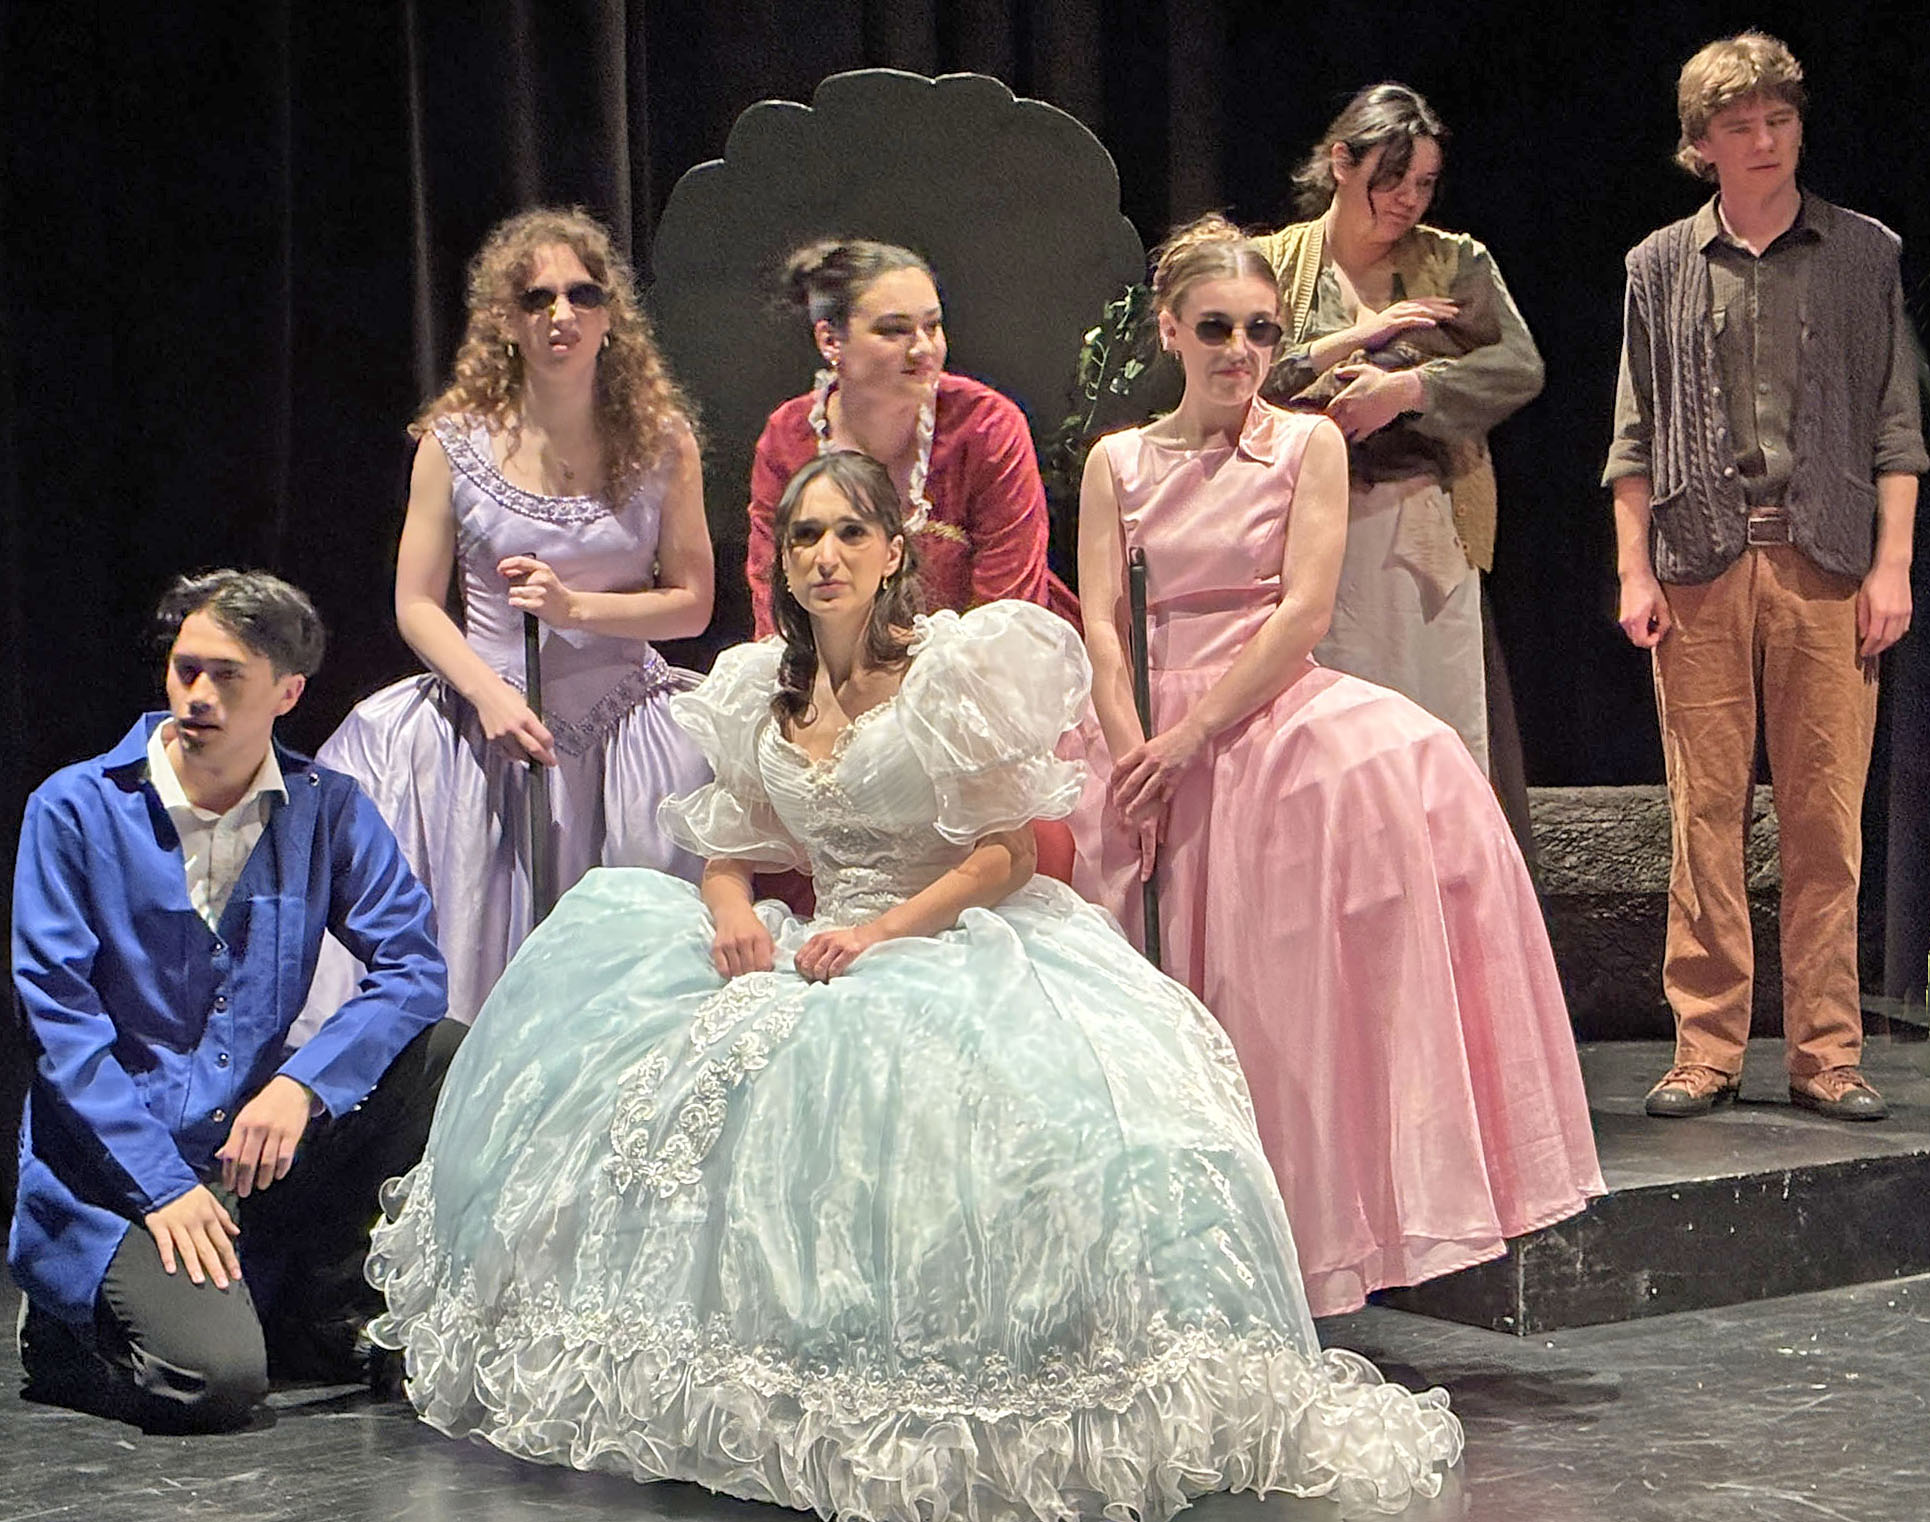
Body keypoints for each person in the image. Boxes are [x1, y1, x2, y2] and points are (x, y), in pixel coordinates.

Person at [368, 453, 1464, 1519]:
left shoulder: (948, 671)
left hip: (948, 935)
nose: (827, 555)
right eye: (806, 535)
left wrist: (882, 932)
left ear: (893, 551)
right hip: (820, 942)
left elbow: (1007, 854)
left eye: (851, 532)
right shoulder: (759, 686)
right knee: (643, 1039)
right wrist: (732, 911)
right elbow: (731, 846)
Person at [1071, 216, 1601, 1319]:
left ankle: (1304, 1238)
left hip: (1257, 709)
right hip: (1141, 726)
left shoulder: (1306, 444)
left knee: (1414, 778)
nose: (1240, 351)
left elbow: (1301, 614)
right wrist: (1133, 758)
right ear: (1170, 330)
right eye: (1216, 328)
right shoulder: (1117, 461)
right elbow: (1105, 629)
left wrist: (1192, 739)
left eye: (1260, 331)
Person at [10, 570, 458, 1432]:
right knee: (211, 1385)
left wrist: (303, 1085)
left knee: (440, 1049)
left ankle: (321, 1307)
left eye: (228, 676)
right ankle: (65, 1333)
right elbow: (61, 1026)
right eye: (187, 669)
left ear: (288, 693)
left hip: (246, 1150)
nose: (198, 695)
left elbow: (411, 966)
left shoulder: (325, 809)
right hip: (117, 1164)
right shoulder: (74, 808)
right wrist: (161, 1187)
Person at [1606, 33, 1925, 1122]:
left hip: (1826, 559)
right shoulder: (1658, 265)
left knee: (1824, 819)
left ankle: (1826, 1050)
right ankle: (1706, 1046)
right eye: (1738, 125)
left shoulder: (1863, 253)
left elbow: (1896, 427)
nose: (1763, 141)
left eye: (1778, 120)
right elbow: (1633, 437)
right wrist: (1633, 571)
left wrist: (1892, 566)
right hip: (1698, 561)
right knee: (1704, 817)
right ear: (1701, 144)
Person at [297, 207, 713, 1033]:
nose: (562, 314)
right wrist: (487, 695)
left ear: (610, 315)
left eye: (583, 295)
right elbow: (417, 603)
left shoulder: (664, 444)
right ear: (506, 321)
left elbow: (693, 603)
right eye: (536, 298)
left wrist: (575, 608)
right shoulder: (453, 444)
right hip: (483, 730)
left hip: (625, 734)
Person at [1252, 82, 1544, 774]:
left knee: (1432, 727)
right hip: (1308, 530)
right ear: (1341, 163)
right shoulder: (1274, 264)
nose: (1409, 199)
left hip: (1420, 527)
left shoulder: (1452, 262)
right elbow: (1239, 377)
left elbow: (1519, 366)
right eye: (1391, 179)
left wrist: (1411, 390)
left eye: (1425, 183)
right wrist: (1336, 360)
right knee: (1331, 735)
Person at [744, 238, 1076, 637]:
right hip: (838, 664)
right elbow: (774, 594)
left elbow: (1008, 610)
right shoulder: (789, 437)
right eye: (894, 330)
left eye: (932, 326)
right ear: (830, 340)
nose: (923, 348)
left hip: (986, 660)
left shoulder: (986, 426)